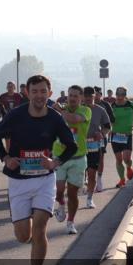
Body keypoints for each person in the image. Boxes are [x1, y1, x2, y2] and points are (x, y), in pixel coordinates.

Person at [0, 74, 77, 265]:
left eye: (43, 91)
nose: (39, 95)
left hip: (44, 180)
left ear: (49, 93)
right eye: (35, 91)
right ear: (27, 93)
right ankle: (26, 231)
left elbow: (71, 146)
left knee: (40, 229)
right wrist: (5, 158)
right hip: (19, 181)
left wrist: (55, 162)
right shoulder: (16, 115)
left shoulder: (55, 118)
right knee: (23, 236)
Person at [51, 86, 91, 235]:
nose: (72, 98)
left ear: (80, 98)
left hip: (78, 158)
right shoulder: (59, 110)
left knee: (73, 193)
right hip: (60, 157)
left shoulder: (86, 111)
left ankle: (70, 222)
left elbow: (73, 119)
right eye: (70, 95)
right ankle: (61, 204)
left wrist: (60, 111)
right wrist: (56, 109)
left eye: (75, 96)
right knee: (59, 191)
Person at [82, 87, 112, 209]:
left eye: (91, 96)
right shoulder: (77, 109)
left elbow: (107, 126)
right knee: (79, 173)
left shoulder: (100, 110)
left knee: (91, 173)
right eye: (86, 96)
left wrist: (102, 133)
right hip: (79, 145)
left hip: (94, 144)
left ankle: (89, 198)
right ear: (83, 97)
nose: (88, 98)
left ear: (95, 96)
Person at [110, 87, 133, 188]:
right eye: (118, 95)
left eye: (122, 95)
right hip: (115, 135)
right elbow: (107, 118)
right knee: (119, 160)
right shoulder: (112, 106)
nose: (119, 97)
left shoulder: (131, 105)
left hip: (127, 135)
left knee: (126, 159)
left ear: (125, 95)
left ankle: (129, 167)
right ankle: (122, 180)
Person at [93, 87, 115, 192]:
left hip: (101, 136)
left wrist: (104, 131)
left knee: (100, 157)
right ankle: (87, 179)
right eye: (94, 94)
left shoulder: (105, 105)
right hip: (86, 137)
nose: (95, 96)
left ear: (100, 95)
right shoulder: (83, 105)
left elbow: (112, 120)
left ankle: (99, 179)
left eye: (97, 94)